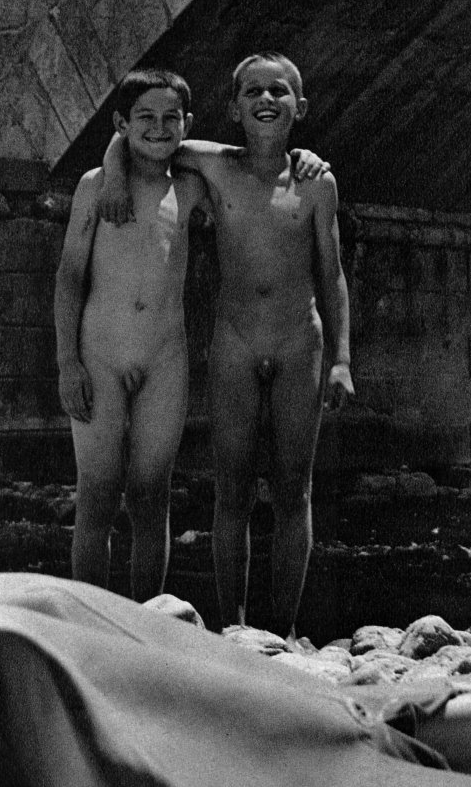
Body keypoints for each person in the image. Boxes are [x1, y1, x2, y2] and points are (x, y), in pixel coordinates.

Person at [99, 52, 353, 638]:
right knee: (231, 487)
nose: (266, 100)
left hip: (299, 341)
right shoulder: (214, 165)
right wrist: (113, 173)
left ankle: (286, 629)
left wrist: (341, 358)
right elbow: (141, 136)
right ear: (234, 109)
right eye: (253, 92)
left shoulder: (317, 183)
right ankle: (235, 626)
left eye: (278, 91)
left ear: (300, 107)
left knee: (294, 490)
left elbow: (332, 272)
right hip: (234, 341)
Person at [54, 68, 207, 601]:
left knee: (151, 495)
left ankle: (147, 618)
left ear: (187, 124)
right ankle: (92, 618)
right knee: (96, 494)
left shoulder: (190, 186)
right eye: (145, 118)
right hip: (100, 355)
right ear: (122, 123)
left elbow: (236, 161)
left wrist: (306, 163)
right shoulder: (95, 186)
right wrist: (67, 363)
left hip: (164, 359)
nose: (159, 128)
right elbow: (70, 277)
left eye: (171, 118)